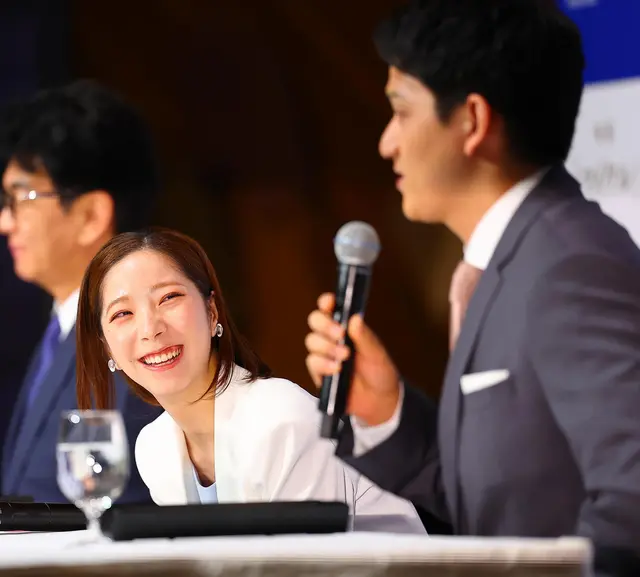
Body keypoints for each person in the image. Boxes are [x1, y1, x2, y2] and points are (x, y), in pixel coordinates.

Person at [304, 0, 640, 572]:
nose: (386, 142)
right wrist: (388, 413)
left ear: (473, 120)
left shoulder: (569, 265)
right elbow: (495, 507)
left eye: (401, 112)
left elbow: (632, 500)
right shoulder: (511, 260)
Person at [75, 228, 425, 533]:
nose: (150, 328)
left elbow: (310, 565)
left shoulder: (281, 419)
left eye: (169, 298)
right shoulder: (154, 447)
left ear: (212, 311)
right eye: (123, 313)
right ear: (106, 346)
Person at [0, 80, 163, 503]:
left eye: (22, 197)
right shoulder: (63, 328)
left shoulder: (139, 342)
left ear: (91, 215)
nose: (5, 222)